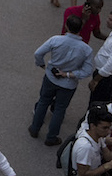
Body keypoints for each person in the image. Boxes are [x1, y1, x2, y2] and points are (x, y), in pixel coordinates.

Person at [30, 14, 95, 146]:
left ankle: (35, 129)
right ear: (80, 29)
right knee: (59, 109)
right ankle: (51, 137)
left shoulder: (56, 40)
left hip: (50, 78)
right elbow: (87, 70)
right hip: (68, 85)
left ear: (66, 26)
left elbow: (38, 53)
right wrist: (69, 74)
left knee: (43, 102)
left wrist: (41, 64)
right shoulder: (86, 49)